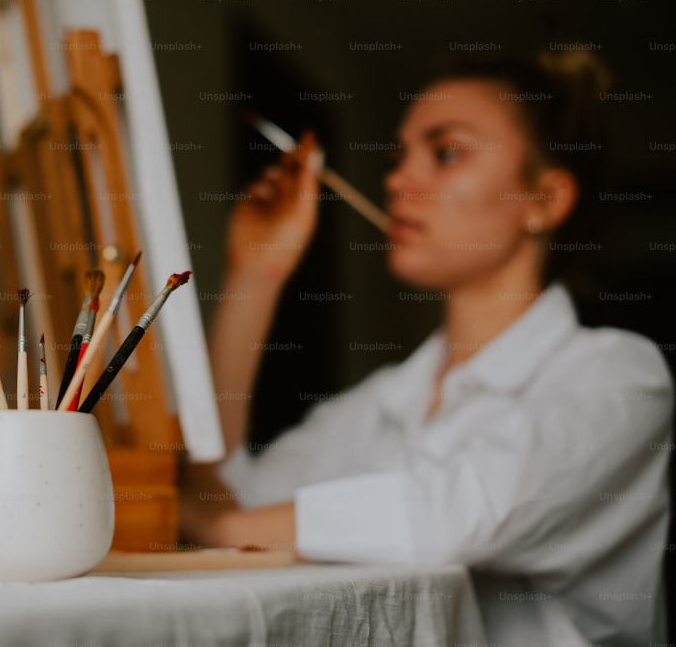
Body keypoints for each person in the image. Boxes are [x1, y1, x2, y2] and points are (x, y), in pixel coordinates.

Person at [180, 51, 673, 645]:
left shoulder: (621, 378)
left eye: (446, 153)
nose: (396, 180)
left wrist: (221, 525)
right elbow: (228, 494)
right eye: (398, 156)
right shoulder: (383, 400)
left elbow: (456, 515)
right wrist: (255, 277)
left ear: (545, 199)